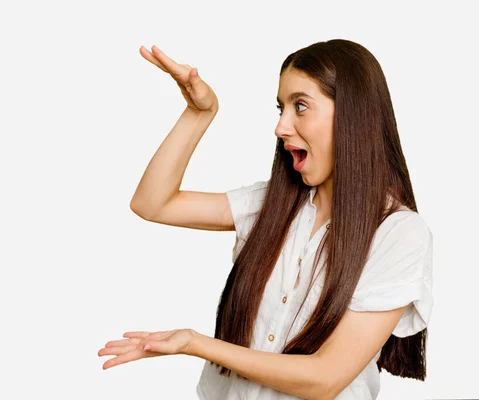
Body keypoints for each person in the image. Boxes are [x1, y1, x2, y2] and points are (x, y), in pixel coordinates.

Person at [97, 39, 434, 400]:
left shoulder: (398, 235)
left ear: (353, 115)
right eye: (281, 108)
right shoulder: (270, 204)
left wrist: (195, 344)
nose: (281, 127)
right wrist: (199, 113)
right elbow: (152, 203)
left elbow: (325, 378)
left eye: (300, 106)